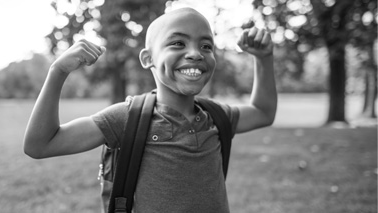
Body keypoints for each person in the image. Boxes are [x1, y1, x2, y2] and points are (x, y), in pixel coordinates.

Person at [24, 7, 277, 213]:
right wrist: (58, 72)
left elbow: (263, 112)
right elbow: (41, 145)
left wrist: (263, 58)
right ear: (148, 59)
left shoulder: (216, 117)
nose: (195, 54)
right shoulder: (126, 118)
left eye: (206, 46)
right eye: (178, 43)